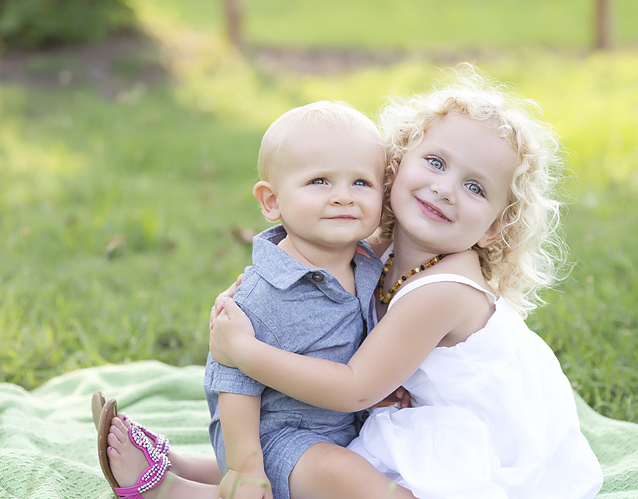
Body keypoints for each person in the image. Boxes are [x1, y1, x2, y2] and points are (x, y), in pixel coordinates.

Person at [209, 65, 604, 499]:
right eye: (435, 163)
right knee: (313, 457)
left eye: (475, 187)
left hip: (479, 441)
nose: (445, 189)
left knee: (344, 477)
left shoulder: (445, 288)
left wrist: (244, 350)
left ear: (494, 227)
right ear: (394, 166)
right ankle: (189, 471)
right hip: (406, 412)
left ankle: (193, 491)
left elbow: (356, 388)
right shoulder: (375, 248)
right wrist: (247, 302)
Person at [95, 100, 416, 499]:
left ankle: (183, 465)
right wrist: (246, 466)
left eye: (361, 183)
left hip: (338, 426)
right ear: (271, 202)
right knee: (361, 483)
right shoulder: (266, 291)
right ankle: (171, 489)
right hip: (275, 434)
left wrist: (379, 388)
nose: (343, 197)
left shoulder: (367, 264)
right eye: (320, 182)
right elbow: (232, 374)